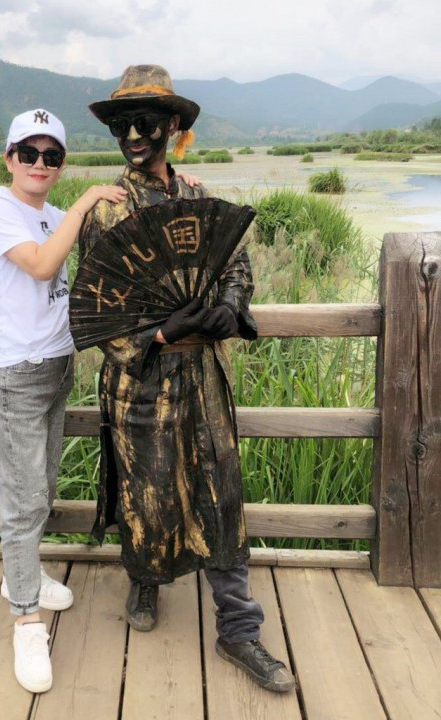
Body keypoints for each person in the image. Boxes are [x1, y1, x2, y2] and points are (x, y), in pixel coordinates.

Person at [76, 66, 296, 693]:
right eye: (122, 125)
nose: (133, 136)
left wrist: (228, 306)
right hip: (141, 382)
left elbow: (235, 267)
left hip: (203, 379)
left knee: (221, 494)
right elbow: (98, 311)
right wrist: (157, 334)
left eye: (146, 122)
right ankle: (145, 579)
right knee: (147, 491)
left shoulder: (198, 200)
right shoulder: (106, 211)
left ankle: (239, 628)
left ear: (173, 126)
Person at [0, 108, 127, 694]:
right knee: (23, 501)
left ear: (60, 164)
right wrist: (85, 203)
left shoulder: (56, 216)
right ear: (10, 157)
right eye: (29, 153)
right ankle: (25, 620)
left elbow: (116, 243)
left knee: (42, 488)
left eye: (52, 155)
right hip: (14, 373)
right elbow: (40, 267)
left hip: (57, 367)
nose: (39, 164)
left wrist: (178, 187)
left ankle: (24, 575)